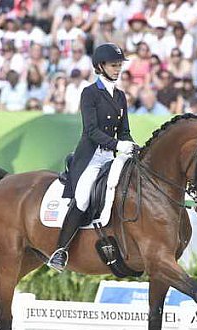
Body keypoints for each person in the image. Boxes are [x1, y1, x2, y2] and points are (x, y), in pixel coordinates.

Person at [47, 43, 138, 272]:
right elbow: (91, 131)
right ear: (100, 67)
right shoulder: (89, 93)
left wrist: (132, 145)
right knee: (84, 197)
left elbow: (124, 130)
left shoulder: (120, 96)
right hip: (91, 157)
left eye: (119, 65)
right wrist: (118, 144)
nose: (118, 69)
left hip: (112, 157)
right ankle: (61, 250)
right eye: (113, 65)